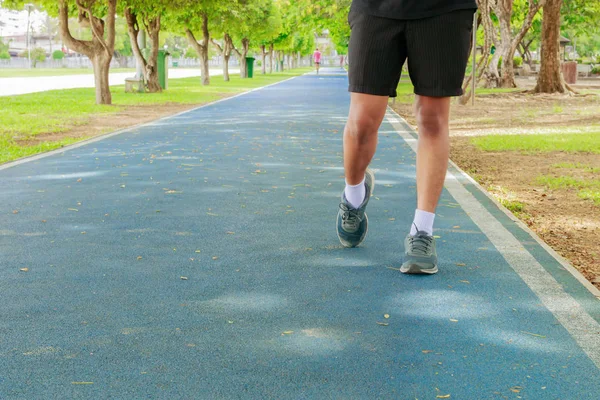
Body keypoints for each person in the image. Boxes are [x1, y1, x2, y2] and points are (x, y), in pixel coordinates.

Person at [336, 0, 477, 274]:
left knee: (432, 117)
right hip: (375, 8)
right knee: (362, 122)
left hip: (444, 10)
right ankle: (353, 195)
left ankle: (422, 232)